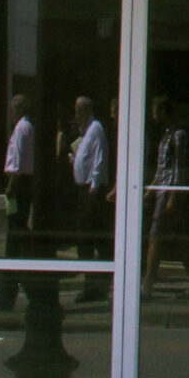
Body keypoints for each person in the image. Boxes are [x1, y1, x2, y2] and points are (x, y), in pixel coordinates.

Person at [141, 95, 189, 298]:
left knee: (155, 235)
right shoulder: (165, 136)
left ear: (163, 112)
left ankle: (148, 282)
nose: (153, 116)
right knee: (179, 239)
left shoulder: (178, 134)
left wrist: (173, 196)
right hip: (161, 190)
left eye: (155, 111)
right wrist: (149, 191)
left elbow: (179, 169)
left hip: (170, 192)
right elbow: (161, 169)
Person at [0, 92, 40, 310]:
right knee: (16, 240)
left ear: (18, 110)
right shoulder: (27, 127)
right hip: (22, 185)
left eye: (12, 110)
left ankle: (14, 293)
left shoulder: (21, 128)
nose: (10, 114)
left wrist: (11, 187)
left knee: (15, 240)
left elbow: (18, 163)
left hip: (18, 186)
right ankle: (15, 290)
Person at [66, 95, 113, 301]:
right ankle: (92, 282)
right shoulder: (86, 131)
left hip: (91, 191)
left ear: (85, 111)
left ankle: (95, 285)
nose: (76, 116)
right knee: (85, 238)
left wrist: (94, 188)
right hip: (82, 188)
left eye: (78, 112)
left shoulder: (96, 129)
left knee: (89, 238)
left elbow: (99, 159)